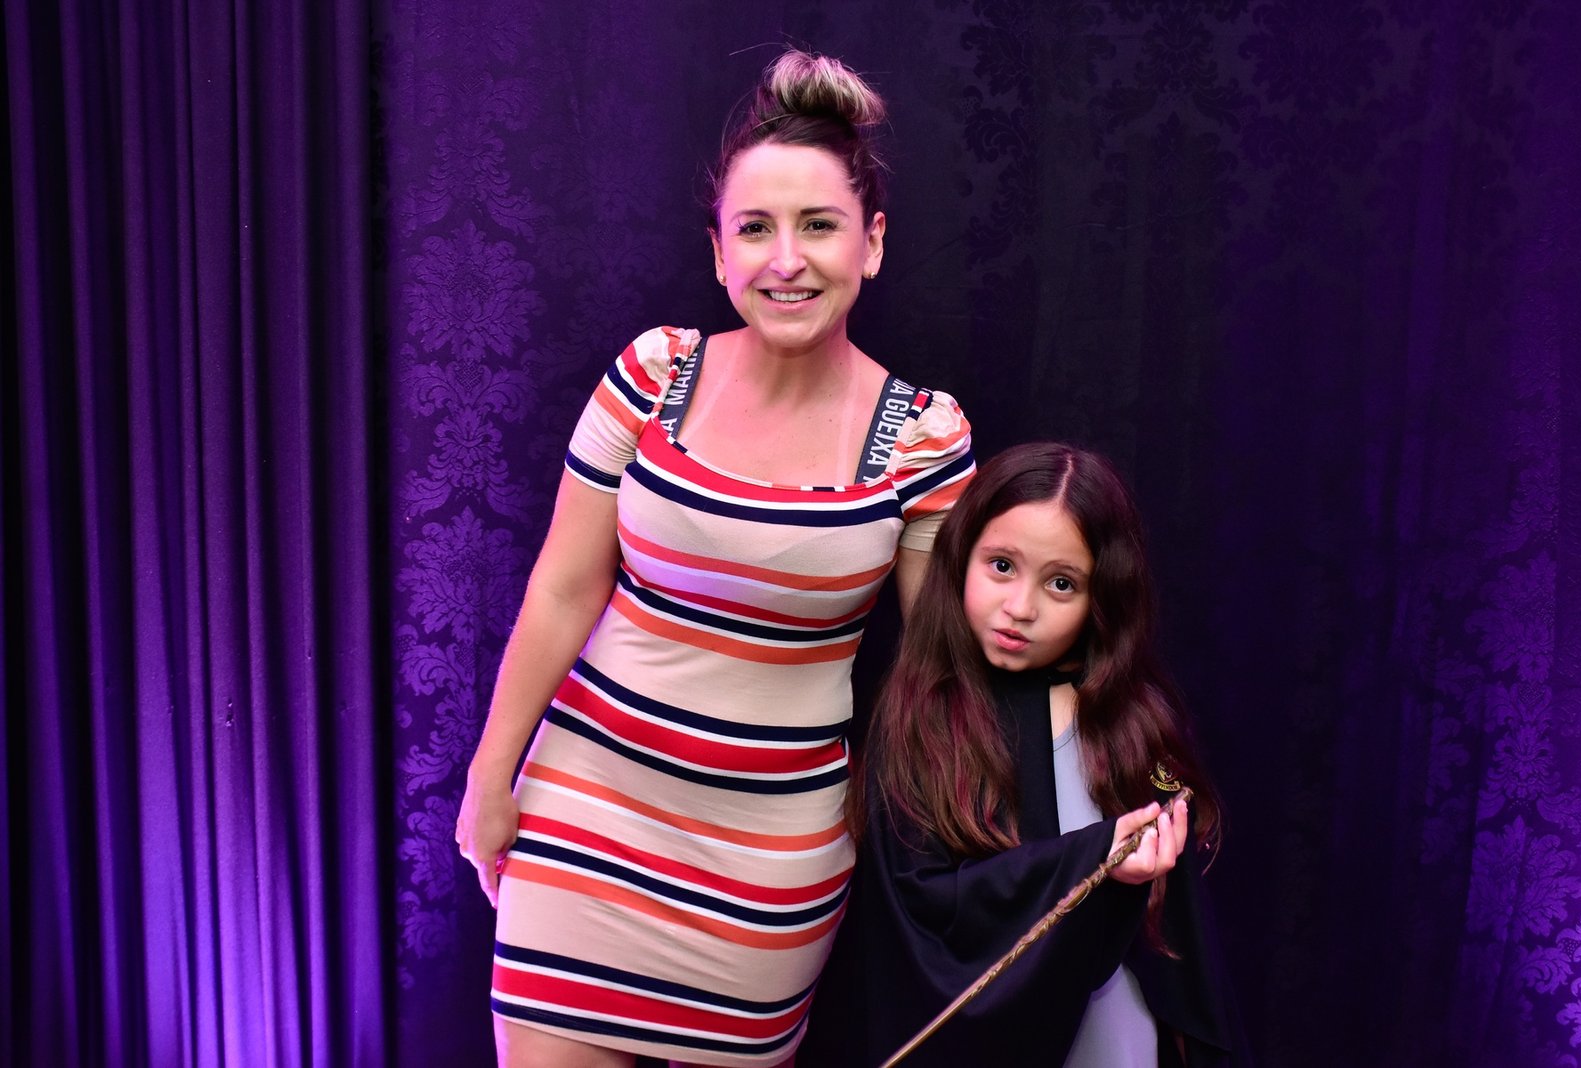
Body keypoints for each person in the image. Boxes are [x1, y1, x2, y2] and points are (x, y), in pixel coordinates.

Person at [453, 50, 975, 1068]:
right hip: (583, 821)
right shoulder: (651, 376)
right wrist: (489, 778)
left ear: (871, 243)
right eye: (755, 229)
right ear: (718, 253)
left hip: (768, 871)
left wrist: (1113, 774)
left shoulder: (923, 438)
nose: (786, 260)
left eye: (818, 225)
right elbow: (563, 587)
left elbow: (946, 671)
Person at [800, 443, 1250, 1067]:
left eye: (1061, 584)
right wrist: (1095, 858)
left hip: (1111, 1030)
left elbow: (1179, 943)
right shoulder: (927, 718)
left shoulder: (1133, 722)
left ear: (1102, 597)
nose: (1020, 609)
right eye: (1002, 566)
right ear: (961, 556)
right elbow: (921, 909)